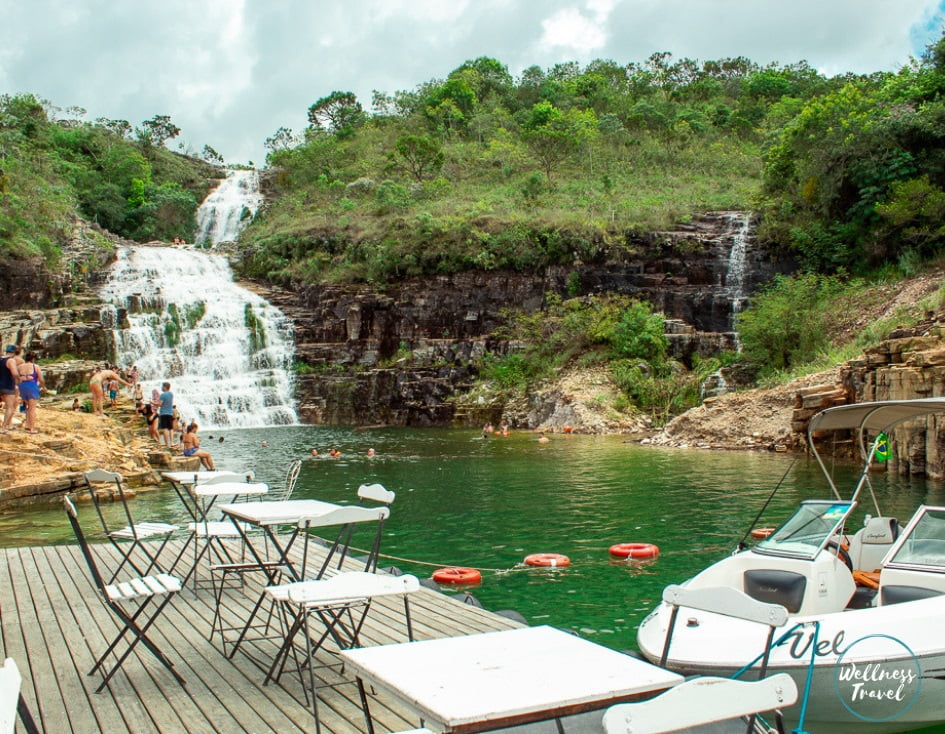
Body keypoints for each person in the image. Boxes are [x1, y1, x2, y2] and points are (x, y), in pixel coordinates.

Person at [16, 352, 44, 434]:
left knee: (27, 406)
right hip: (32, 386)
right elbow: (41, 378)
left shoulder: (19, 367)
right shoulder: (35, 367)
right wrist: (43, 387)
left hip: (22, 386)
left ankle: (27, 425)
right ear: (33, 359)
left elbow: (17, 378)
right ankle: (32, 429)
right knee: (32, 408)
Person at [0, 345, 21, 434]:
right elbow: (14, 373)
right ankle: (3, 427)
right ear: (14, 353)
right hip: (7, 386)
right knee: (10, 407)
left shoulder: (0, 359)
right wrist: (18, 379)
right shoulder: (11, 360)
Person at [157, 382, 174, 447]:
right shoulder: (171, 394)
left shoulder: (163, 395)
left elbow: (160, 404)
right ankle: (172, 442)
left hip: (163, 413)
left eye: (162, 386)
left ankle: (167, 444)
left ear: (165, 387)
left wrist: (153, 403)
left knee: (165, 428)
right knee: (171, 428)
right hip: (170, 412)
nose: (161, 388)